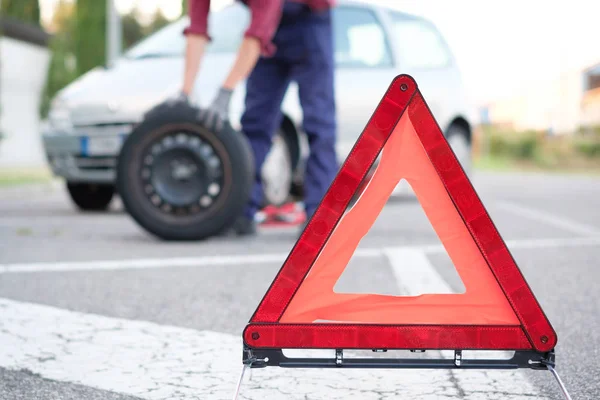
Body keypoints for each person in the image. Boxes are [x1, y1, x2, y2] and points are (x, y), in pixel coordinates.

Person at [181, 0, 338, 237]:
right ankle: (241, 213)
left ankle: (321, 218)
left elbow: (257, 35)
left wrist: (225, 93)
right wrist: (185, 92)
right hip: (267, 23)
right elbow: (197, 29)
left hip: (310, 22)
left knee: (319, 124)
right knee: (255, 123)